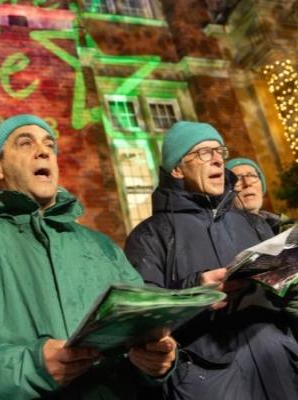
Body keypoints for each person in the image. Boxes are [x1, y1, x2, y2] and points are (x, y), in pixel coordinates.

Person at [0, 114, 177, 399]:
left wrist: (151, 363)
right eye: (25, 143)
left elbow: (139, 329)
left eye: (49, 144)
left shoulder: (102, 247)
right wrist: (32, 366)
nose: (43, 150)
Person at [125, 121, 298, 400]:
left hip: (280, 371)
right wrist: (195, 289)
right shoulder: (149, 235)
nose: (218, 158)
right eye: (204, 153)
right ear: (178, 169)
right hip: (210, 384)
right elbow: (141, 317)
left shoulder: (255, 224)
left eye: (219, 151)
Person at [226, 157, 294, 234]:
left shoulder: (283, 224)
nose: (247, 183)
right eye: (237, 178)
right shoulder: (224, 232)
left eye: (252, 175)